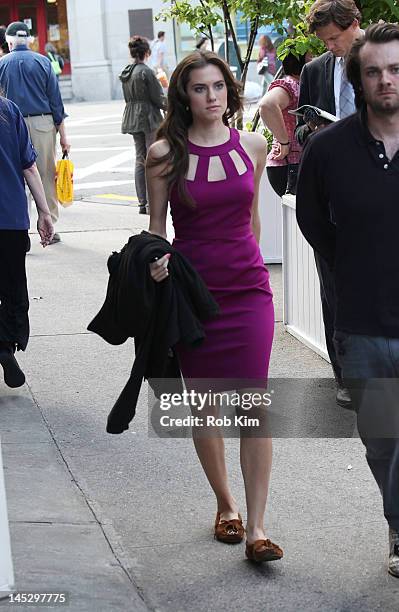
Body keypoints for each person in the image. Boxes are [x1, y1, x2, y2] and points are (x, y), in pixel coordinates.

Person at [146, 50, 283, 564]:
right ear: (184, 95)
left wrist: (260, 274)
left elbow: (252, 220)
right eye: (200, 88)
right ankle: (226, 506)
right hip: (192, 295)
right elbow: (157, 232)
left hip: (248, 291)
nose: (212, 97)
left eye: (219, 87)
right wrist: (155, 264)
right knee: (205, 408)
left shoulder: (252, 144)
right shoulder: (164, 153)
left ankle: (259, 529)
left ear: (230, 90)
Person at [296, 21, 399, 579]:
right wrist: (353, 264)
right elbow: (312, 220)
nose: (386, 80)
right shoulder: (329, 149)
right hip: (360, 325)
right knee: (384, 444)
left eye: (396, 70)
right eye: (374, 71)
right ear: (358, 79)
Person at [294, 0, 364, 408]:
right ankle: (345, 378)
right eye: (324, 41)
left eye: (335, 38)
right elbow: (301, 128)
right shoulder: (314, 70)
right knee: (333, 289)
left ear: (356, 25)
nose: (331, 47)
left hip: (377, 189)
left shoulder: (385, 61)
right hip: (330, 196)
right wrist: (314, 131)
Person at [0, 95, 54, 387]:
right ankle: (5, 345)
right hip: (9, 218)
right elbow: (29, 167)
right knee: (11, 288)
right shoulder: (8, 110)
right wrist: (44, 212)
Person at [0, 21, 70, 244]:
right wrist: (63, 134)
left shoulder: (2, 63)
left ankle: (22, 226)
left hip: (9, 124)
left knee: (16, 175)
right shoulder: (43, 61)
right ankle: (49, 223)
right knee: (44, 174)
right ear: (29, 40)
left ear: (10, 42)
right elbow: (55, 101)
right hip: (42, 123)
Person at [120, 36, 166, 214]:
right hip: (148, 118)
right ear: (146, 52)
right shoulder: (146, 72)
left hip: (132, 116)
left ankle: (142, 203)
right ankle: (152, 201)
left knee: (140, 159)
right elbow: (157, 98)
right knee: (152, 158)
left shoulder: (127, 72)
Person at [260, 52, 308, 196]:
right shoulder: (290, 84)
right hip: (289, 164)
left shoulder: (301, 84)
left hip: (293, 163)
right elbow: (267, 105)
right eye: (311, 56)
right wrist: (284, 143)